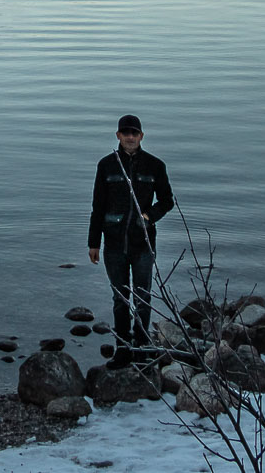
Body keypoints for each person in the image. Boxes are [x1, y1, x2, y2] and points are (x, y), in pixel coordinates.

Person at [87, 113, 174, 369]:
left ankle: (142, 348)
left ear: (141, 136)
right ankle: (123, 351)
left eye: (134, 133)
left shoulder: (155, 166)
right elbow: (98, 207)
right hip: (113, 244)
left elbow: (167, 200)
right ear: (118, 136)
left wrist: (149, 216)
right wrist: (94, 242)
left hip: (144, 245)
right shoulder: (106, 165)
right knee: (120, 298)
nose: (130, 137)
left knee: (143, 297)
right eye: (126, 133)